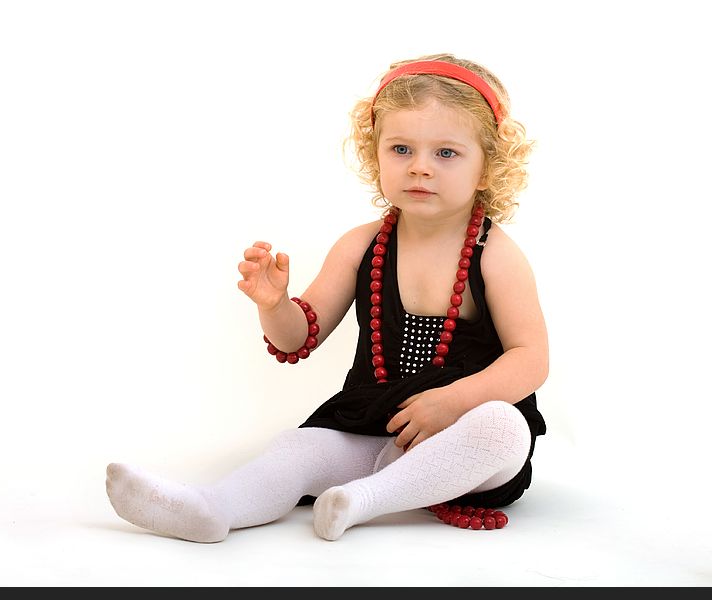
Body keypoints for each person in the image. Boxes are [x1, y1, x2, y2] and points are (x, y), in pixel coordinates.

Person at [106, 53, 549, 542]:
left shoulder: (496, 255)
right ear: (373, 152)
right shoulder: (362, 245)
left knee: (504, 429)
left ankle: (364, 499)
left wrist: (451, 403)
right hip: (374, 425)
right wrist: (275, 305)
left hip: (461, 440)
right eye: (401, 149)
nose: (420, 168)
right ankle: (213, 508)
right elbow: (299, 338)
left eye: (446, 153)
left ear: (488, 167)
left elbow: (530, 361)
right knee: (299, 448)